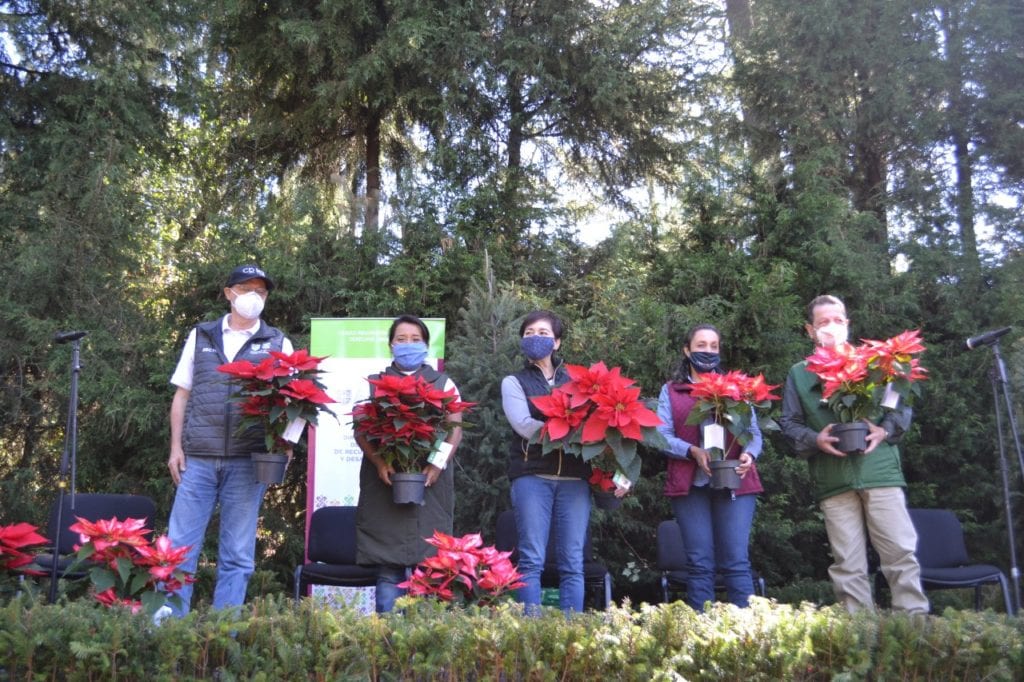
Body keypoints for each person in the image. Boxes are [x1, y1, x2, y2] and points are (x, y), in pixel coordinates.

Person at [779, 294, 928, 614]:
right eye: (822, 322)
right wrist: (814, 438)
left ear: (847, 323)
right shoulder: (799, 373)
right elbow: (789, 423)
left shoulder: (876, 362)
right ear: (810, 329)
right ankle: (859, 634)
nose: (830, 327)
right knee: (847, 563)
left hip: (880, 472)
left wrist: (884, 430)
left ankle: (914, 631)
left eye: (837, 320)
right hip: (833, 479)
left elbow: (899, 405)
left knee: (900, 553)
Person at [166, 264, 292, 615]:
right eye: (245, 288)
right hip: (197, 460)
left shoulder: (278, 342)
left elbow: (296, 402)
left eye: (261, 291)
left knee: (237, 555)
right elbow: (181, 396)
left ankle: (224, 638)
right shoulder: (201, 335)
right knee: (178, 550)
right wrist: (175, 447)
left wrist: (285, 447)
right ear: (228, 293)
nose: (253, 296)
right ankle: (169, 635)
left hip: (248, 462)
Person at [354, 314, 463, 613]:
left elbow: (454, 428)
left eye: (415, 340)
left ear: (427, 345)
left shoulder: (444, 383)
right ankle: (387, 642)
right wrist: (379, 462)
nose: (408, 345)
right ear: (390, 345)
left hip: (431, 485)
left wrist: (437, 465)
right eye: (401, 339)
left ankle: (422, 640)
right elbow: (361, 431)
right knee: (388, 570)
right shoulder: (374, 383)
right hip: (385, 484)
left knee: (429, 567)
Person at [501, 310, 604, 614]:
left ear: (557, 342)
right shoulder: (513, 381)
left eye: (544, 333)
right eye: (530, 332)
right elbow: (523, 424)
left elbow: (599, 423)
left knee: (573, 561)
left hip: (575, 479)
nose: (536, 338)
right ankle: (530, 635)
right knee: (531, 559)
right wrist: (571, 436)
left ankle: (570, 636)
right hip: (532, 475)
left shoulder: (578, 381)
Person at [656, 324, 763, 610]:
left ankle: (747, 634)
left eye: (714, 346)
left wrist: (749, 455)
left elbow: (753, 433)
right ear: (687, 350)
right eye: (701, 345)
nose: (708, 351)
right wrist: (691, 451)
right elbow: (659, 436)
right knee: (699, 562)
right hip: (690, 484)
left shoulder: (737, 389)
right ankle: (701, 633)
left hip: (736, 481)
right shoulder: (671, 391)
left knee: (736, 561)